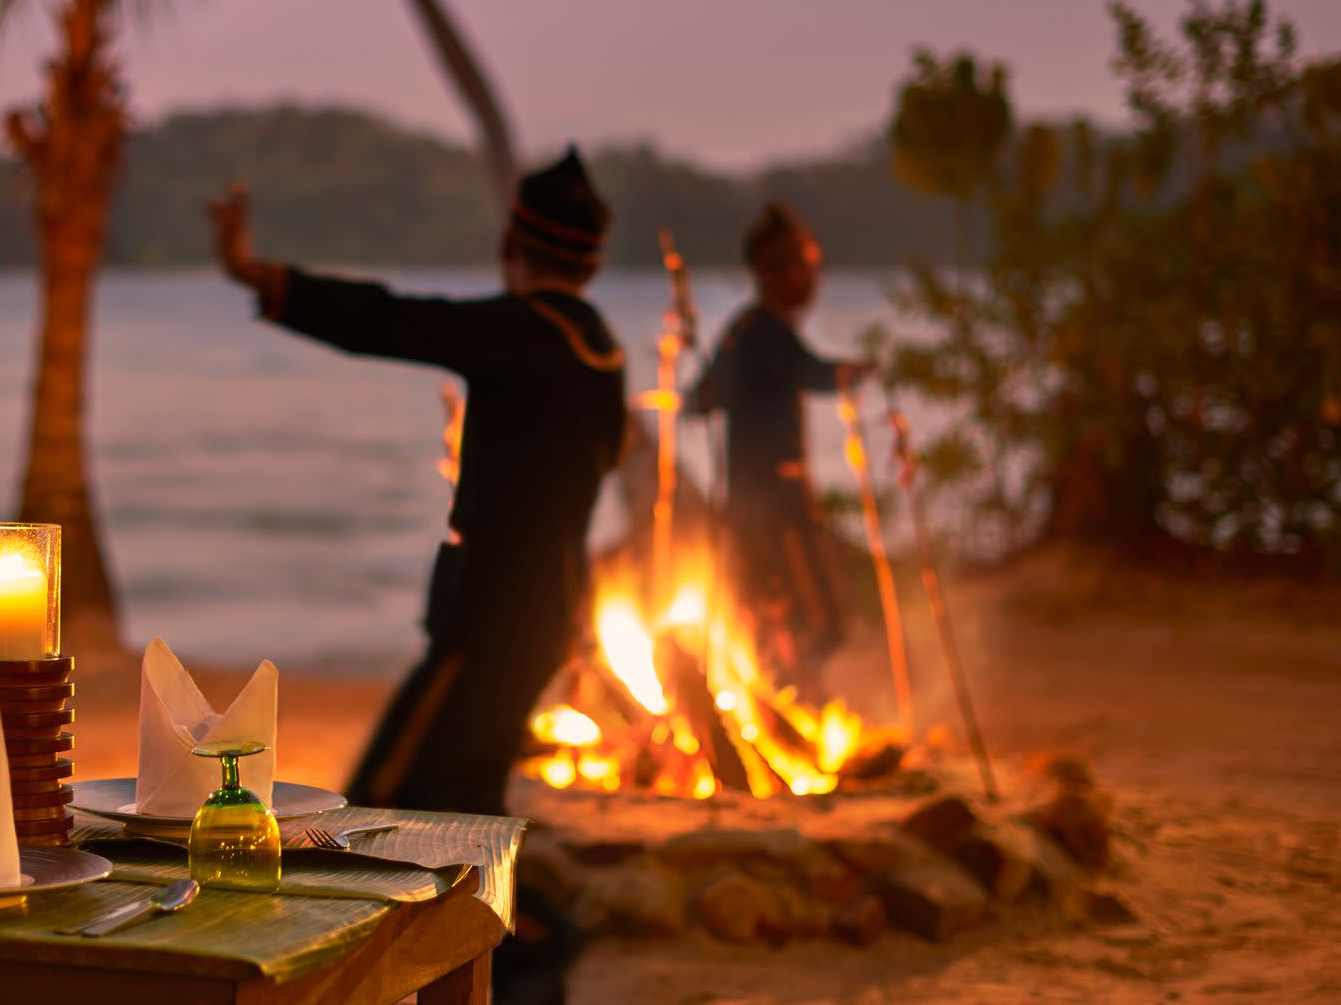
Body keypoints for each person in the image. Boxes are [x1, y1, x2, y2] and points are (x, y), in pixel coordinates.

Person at [205, 148, 627, 817]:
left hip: (493, 611)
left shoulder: (520, 332)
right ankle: (502, 923)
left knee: (392, 801)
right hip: (555, 603)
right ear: (593, 265)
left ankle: (517, 925)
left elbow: (390, 318)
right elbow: (607, 453)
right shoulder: (601, 346)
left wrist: (259, 277)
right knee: (467, 797)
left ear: (509, 244)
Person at [686, 201, 862, 691]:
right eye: (805, 266)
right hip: (769, 503)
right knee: (804, 613)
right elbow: (809, 373)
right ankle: (790, 696)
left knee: (792, 610)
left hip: (761, 501)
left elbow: (699, 400)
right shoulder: (758, 332)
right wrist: (858, 374)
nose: (812, 279)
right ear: (772, 271)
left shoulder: (748, 333)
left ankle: (792, 696)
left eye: (812, 266)